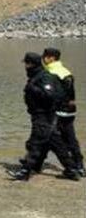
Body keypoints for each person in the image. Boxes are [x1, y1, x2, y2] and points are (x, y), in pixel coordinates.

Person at [8, 52, 79, 181]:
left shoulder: (44, 77)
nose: (25, 66)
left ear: (32, 64)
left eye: (27, 63)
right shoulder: (36, 76)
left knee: (36, 143)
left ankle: (25, 172)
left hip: (45, 116)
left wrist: (33, 89)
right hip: (39, 115)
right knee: (56, 144)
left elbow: (50, 95)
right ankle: (71, 169)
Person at [40, 47, 84, 176]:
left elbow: (51, 94)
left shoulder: (51, 72)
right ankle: (79, 165)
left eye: (45, 57)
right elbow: (70, 93)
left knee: (51, 137)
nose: (43, 59)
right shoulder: (65, 71)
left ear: (51, 58)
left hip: (58, 111)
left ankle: (71, 167)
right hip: (70, 110)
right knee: (69, 138)